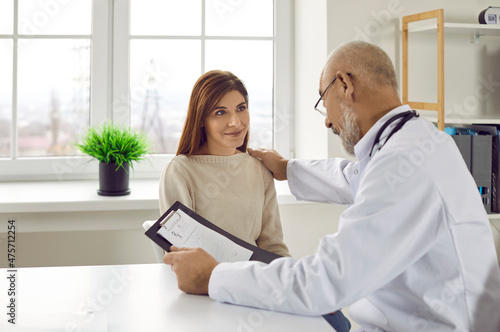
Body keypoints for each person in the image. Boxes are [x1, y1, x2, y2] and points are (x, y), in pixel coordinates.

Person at [164, 41, 500, 331]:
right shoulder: (414, 143)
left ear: (344, 85)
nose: (326, 120)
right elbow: (354, 179)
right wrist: (287, 169)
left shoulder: (403, 163)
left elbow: (326, 280)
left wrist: (215, 277)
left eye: (323, 102)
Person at [159, 70, 290, 257]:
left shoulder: (259, 169)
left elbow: (273, 247)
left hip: (255, 281)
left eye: (241, 108)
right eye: (220, 112)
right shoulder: (180, 172)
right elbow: (179, 254)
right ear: (201, 119)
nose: (235, 122)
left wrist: (292, 281)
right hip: (206, 284)